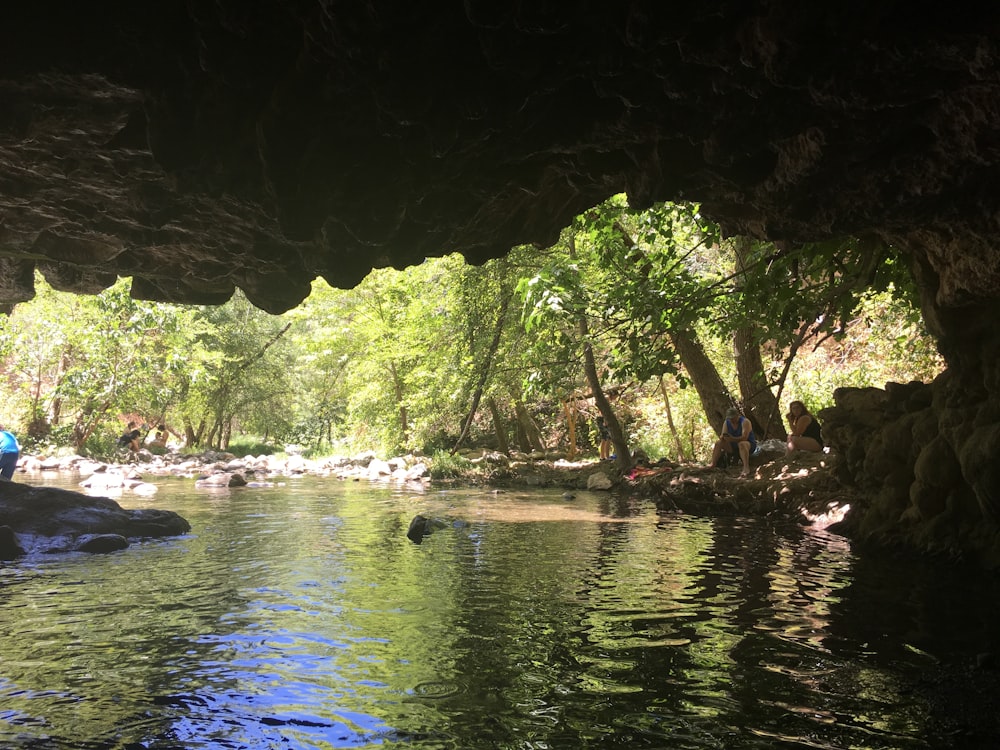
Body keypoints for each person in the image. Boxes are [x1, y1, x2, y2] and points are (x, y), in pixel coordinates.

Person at [709, 407, 757, 477]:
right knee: (718, 443)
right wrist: (723, 437)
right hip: (733, 446)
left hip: (747, 445)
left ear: (737, 416)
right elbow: (723, 435)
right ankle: (713, 464)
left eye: (733, 418)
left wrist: (732, 439)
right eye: (730, 418)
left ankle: (746, 467)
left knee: (742, 444)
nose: (731, 420)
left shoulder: (745, 422)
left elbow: (745, 437)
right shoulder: (727, 422)